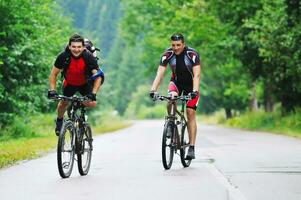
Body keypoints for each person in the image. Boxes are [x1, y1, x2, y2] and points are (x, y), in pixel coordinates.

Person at [149, 33, 201, 160]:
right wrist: (153, 89)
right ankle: (171, 122)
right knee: (171, 98)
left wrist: (194, 90)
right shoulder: (167, 54)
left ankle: (192, 147)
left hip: (191, 85)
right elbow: (160, 73)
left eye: (178, 45)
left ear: (183, 44)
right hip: (176, 82)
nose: (176, 48)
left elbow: (197, 75)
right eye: (173, 45)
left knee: (190, 113)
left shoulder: (192, 54)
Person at [48, 33, 104, 135]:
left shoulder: (88, 57)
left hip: (84, 83)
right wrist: (52, 90)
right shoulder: (63, 56)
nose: (76, 49)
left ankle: (77, 104)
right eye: (73, 47)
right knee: (63, 103)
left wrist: (93, 93)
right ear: (69, 46)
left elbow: (98, 77)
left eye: (79, 47)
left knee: (92, 103)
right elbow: (53, 74)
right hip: (69, 83)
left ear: (83, 47)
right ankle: (59, 121)